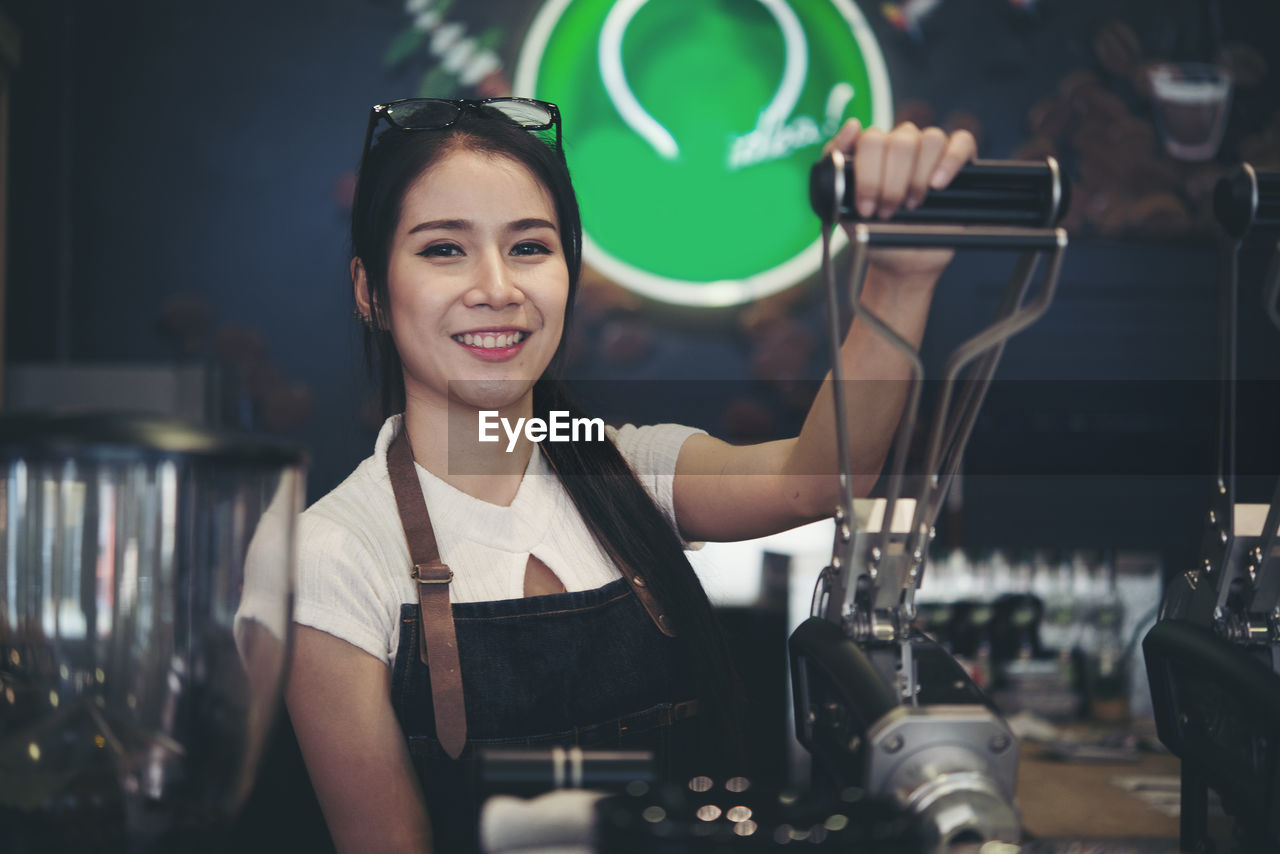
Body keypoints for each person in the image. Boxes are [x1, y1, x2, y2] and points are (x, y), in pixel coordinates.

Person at [284, 97, 975, 853]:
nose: (498, 288)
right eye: (444, 249)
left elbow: (817, 479)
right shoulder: (335, 553)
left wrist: (900, 280)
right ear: (369, 291)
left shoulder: (623, 467)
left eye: (530, 248)